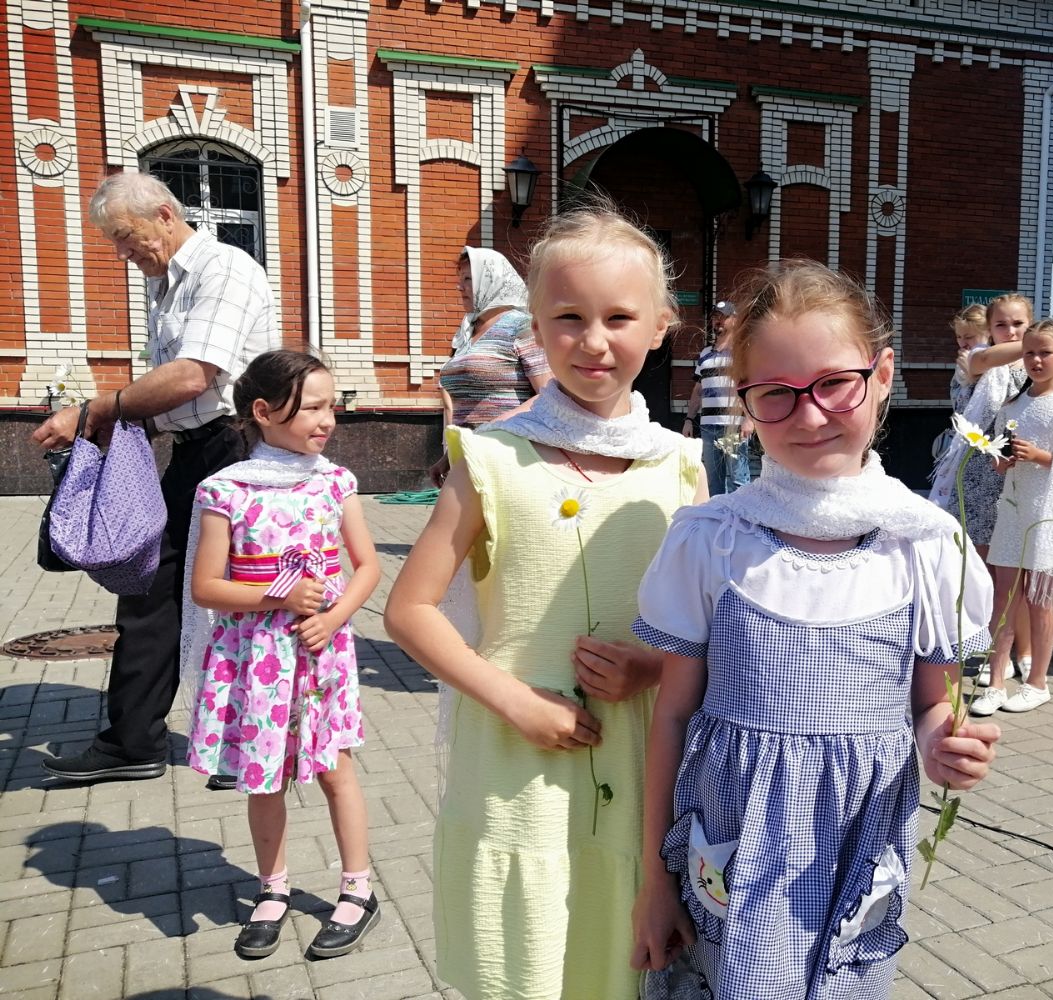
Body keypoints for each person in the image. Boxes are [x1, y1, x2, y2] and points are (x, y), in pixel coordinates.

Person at [630, 261, 1000, 998]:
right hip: (732, 852)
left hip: (856, 851)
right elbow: (671, 716)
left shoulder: (924, 544)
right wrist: (652, 880)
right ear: (742, 401)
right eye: (775, 393)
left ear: (882, 375)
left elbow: (933, 703)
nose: (809, 416)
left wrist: (945, 747)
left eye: (834, 383)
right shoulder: (715, 539)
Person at [383, 202, 705, 1000]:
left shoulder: (681, 468)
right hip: (513, 772)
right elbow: (410, 610)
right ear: (534, 326)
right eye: (568, 317)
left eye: (618, 318)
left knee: (614, 965)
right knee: (521, 965)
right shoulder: (492, 458)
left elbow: (701, 630)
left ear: (660, 326)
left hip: (636, 769)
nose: (593, 341)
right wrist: (516, 702)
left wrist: (650, 668)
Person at [32, 172, 278, 784]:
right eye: (114, 241)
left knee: (246, 597)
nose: (122, 252)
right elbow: (173, 391)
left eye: (125, 235)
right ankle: (133, 742)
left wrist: (95, 410)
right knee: (151, 586)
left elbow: (194, 376)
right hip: (196, 452)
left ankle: (256, 740)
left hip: (240, 450)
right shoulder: (165, 285)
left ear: (165, 215)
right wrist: (122, 423)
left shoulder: (224, 269)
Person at [182, 350, 382, 958]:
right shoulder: (226, 490)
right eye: (313, 407)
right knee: (263, 775)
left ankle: (358, 888)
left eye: (332, 406)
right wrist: (279, 595)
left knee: (335, 768)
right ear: (264, 412)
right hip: (256, 659)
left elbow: (367, 567)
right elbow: (205, 587)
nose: (328, 420)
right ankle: (273, 888)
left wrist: (334, 617)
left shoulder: (335, 482)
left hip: (319, 653)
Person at [970, 320, 1053, 716]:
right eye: (1029, 352)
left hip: (1050, 512)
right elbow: (999, 456)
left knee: (1039, 601)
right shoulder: (1012, 405)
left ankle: (1038, 682)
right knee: (1004, 597)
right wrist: (1001, 461)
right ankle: (996, 681)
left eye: (1045, 352)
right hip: (1014, 509)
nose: (1036, 360)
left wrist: (1041, 457)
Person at [930, 293, 1034, 685]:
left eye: (1019, 325)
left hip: (1021, 472)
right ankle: (989, 645)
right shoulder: (976, 359)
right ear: (990, 330)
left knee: (1016, 571)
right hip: (977, 473)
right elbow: (991, 359)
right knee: (983, 566)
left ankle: (1022, 650)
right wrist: (1046, 342)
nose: (1010, 332)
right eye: (1001, 325)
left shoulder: (1035, 365)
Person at [429, 246, 552, 486]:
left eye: (468, 279)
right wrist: (448, 457)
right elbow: (470, 407)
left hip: (510, 457)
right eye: (460, 279)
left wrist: (493, 428)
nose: (460, 287)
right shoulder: (467, 332)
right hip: (468, 457)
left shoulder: (522, 327)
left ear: (492, 280)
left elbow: (548, 394)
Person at [683, 301, 753, 495]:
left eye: (723, 317)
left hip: (733, 427)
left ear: (735, 320)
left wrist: (749, 418)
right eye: (715, 317)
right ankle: (718, 514)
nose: (718, 321)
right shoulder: (705, 354)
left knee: (739, 481)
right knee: (713, 482)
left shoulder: (742, 353)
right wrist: (688, 419)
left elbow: (750, 388)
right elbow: (698, 391)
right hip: (708, 427)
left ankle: (742, 515)